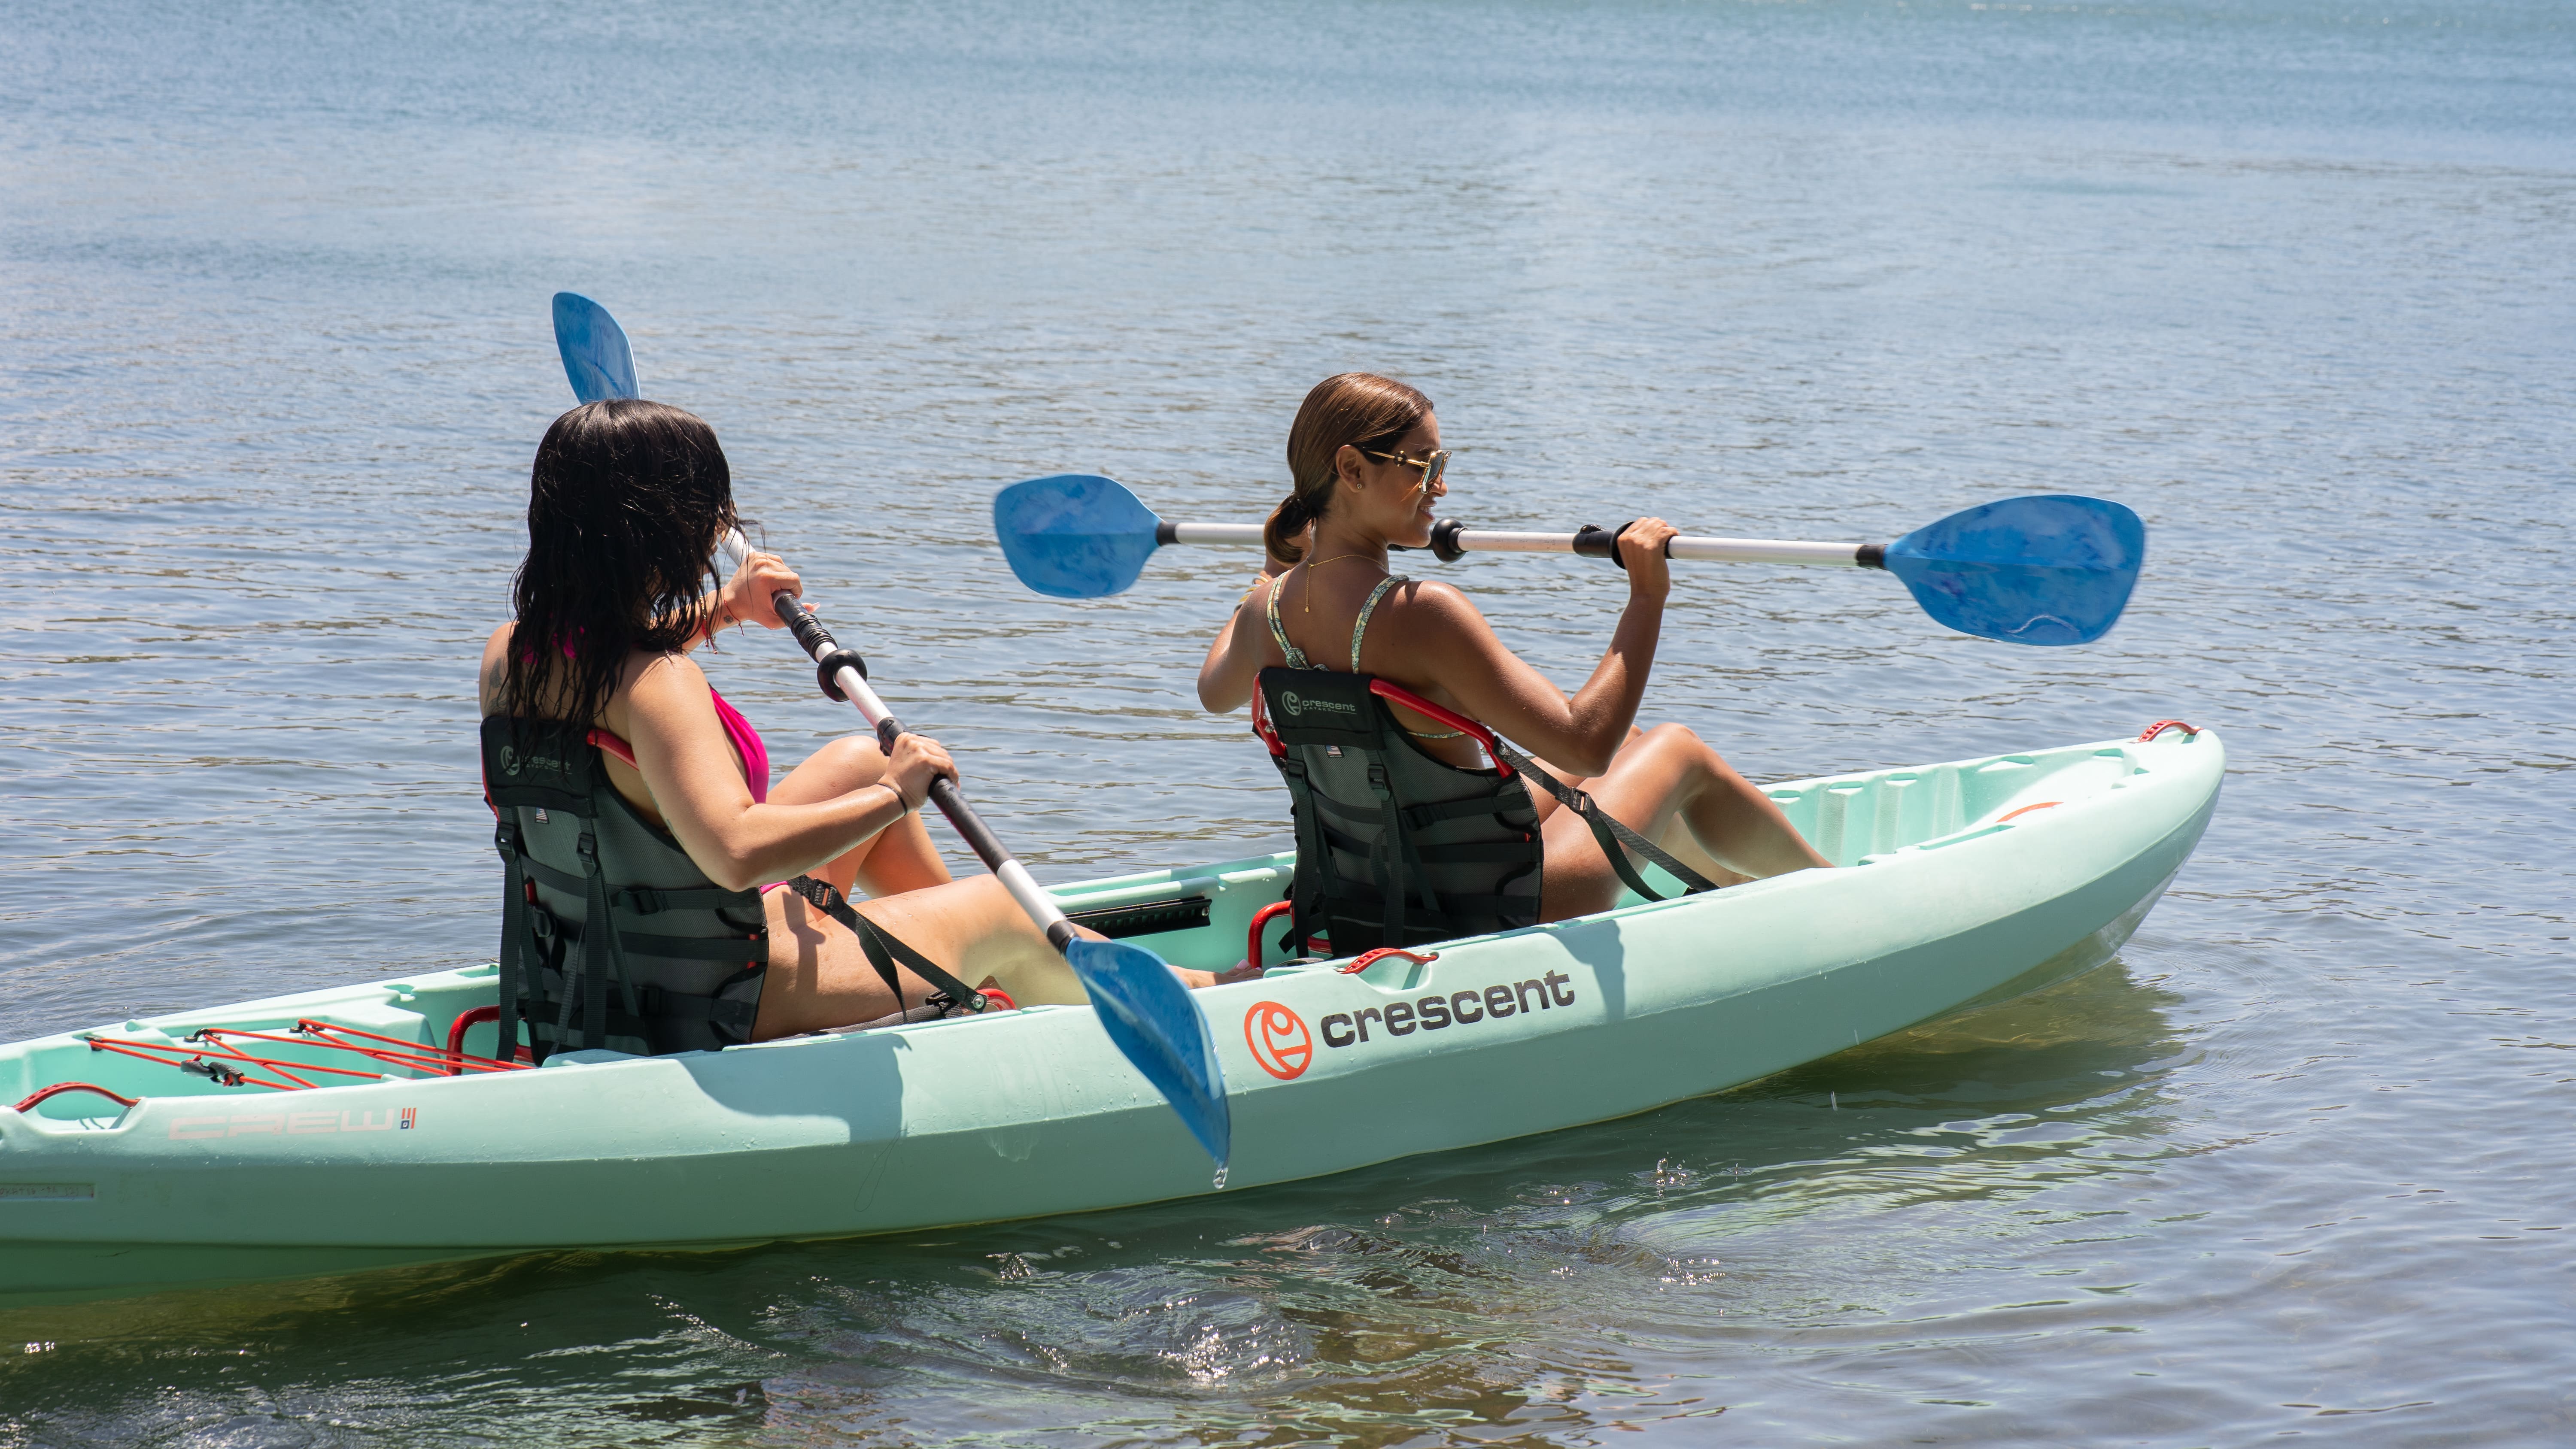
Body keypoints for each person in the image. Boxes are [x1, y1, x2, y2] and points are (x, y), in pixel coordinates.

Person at [480, 399, 1162, 1059]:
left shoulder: (511, 654)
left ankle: (972, 973)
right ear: (661, 530)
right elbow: (737, 854)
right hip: (722, 996)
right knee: (1000, 904)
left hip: (608, 968)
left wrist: (727, 609)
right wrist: (900, 794)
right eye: (708, 512)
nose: (718, 528)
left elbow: (608, 665)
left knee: (858, 762)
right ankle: (1176, 998)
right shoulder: (660, 685)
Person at [1197, 373, 1829, 947]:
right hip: (1507, 905)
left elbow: (1214, 693)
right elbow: (1586, 745)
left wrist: (1277, 565)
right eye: (1422, 465)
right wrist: (1646, 595)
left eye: (1441, 463)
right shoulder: (1423, 612)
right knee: (1675, 747)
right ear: (1351, 470)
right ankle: (1836, 896)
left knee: (1636, 744)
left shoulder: (1264, 615)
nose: (1440, 485)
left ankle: (1734, 896)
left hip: (1373, 893)